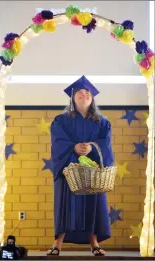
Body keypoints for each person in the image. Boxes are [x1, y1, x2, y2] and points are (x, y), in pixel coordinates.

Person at [47, 75, 114, 256]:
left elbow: (105, 143)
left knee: (93, 201)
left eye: (87, 93)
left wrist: (91, 146)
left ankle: (94, 241)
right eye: (80, 93)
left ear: (92, 99)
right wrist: (73, 148)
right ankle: (57, 242)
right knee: (64, 202)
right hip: (68, 167)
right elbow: (58, 141)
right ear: (73, 97)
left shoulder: (102, 122)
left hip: (92, 169)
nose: (84, 95)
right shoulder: (61, 120)